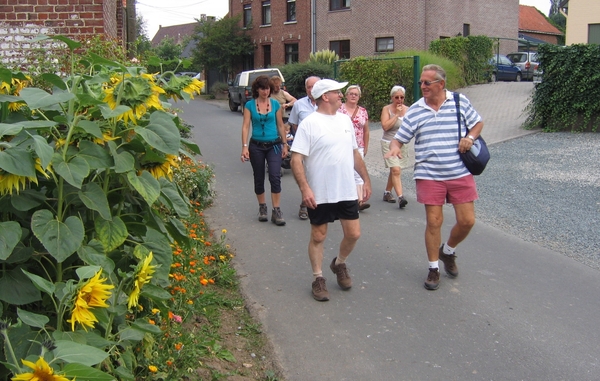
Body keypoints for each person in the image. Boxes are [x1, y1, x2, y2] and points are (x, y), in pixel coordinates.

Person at [385, 64, 484, 290]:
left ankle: (447, 251)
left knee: (467, 221)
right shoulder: (417, 110)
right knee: (433, 222)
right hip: (429, 174)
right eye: (421, 82)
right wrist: (394, 147)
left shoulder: (459, 101)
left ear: (441, 84)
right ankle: (433, 268)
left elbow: (478, 122)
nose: (422, 86)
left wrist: (470, 136)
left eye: (427, 83)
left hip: (459, 171)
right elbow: (399, 138)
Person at [290, 79, 372, 302]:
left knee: (354, 233)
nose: (341, 95)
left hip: (345, 189)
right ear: (325, 96)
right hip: (320, 190)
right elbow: (296, 159)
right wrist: (304, 188)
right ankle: (318, 278)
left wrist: (365, 179)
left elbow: (355, 153)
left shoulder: (345, 119)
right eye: (337, 92)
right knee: (319, 235)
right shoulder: (310, 123)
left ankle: (339, 263)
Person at [241, 75, 289, 226]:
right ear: (257, 89)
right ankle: (262, 208)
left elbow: (281, 125)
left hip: (274, 145)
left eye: (267, 88)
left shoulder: (275, 104)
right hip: (256, 146)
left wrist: (285, 144)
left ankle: (276, 210)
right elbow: (246, 126)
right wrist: (244, 147)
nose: (265, 91)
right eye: (262, 88)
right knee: (259, 176)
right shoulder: (249, 105)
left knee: (275, 176)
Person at [288, 75, 320, 220]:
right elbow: (294, 125)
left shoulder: (327, 104)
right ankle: (305, 204)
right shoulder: (298, 105)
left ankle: (319, 201)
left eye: (314, 86)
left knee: (318, 174)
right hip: (305, 147)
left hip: (321, 147)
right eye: (309, 87)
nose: (312, 89)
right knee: (305, 175)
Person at [338, 85, 370, 211]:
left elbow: (366, 130)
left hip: (358, 146)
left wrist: (366, 146)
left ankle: (359, 200)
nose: (353, 96)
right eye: (351, 93)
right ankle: (343, 198)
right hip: (342, 145)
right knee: (344, 171)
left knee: (357, 173)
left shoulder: (363, 111)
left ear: (359, 97)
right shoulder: (339, 109)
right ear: (346, 95)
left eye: (355, 94)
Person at [380, 85, 409, 208]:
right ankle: (401, 197)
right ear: (392, 97)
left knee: (395, 170)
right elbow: (385, 126)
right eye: (396, 97)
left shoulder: (408, 110)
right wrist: (396, 115)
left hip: (401, 144)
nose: (399, 100)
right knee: (396, 170)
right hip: (388, 143)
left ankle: (387, 192)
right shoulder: (387, 109)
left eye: (402, 97)